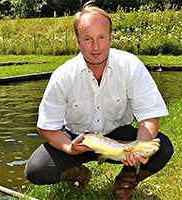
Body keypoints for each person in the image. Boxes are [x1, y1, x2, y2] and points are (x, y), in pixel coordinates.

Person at [25, 3, 173, 200]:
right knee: (36, 169)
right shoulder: (63, 75)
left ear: (111, 37)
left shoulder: (130, 66)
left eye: (101, 38)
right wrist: (70, 148)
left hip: (119, 137)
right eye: (88, 39)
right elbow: (46, 127)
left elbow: (148, 116)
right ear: (77, 41)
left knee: (162, 147)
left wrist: (139, 147)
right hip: (79, 139)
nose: (95, 47)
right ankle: (78, 173)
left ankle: (126, 183)